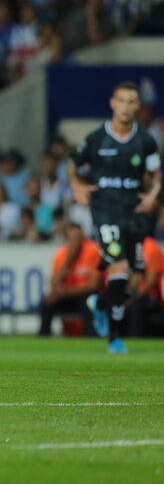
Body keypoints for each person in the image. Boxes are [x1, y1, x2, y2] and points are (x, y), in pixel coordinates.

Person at [69, 81, 161, 353]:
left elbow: (155, 171)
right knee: (119, 267)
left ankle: (100, 304)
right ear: (112, 103)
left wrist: (154, 193)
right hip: (104, 210)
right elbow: (72, 164)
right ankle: (114, 337)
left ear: (138, 106)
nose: (126, 106)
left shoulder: (145, 140)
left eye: (132, 101)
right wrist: (76, 185)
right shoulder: (97, 138)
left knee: (134, 280)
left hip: (132, 212)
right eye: (122, 100)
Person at [39, 223, 101, 336]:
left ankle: (90, 336)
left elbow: (94, 285)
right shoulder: (61, 254)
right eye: (72, 239)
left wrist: (68, 292)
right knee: (48, 301)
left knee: (88, 300)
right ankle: (43, 335)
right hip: (67, 296)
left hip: (84, 295)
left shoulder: (92, 251)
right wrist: (67, 262)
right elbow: (53, 283)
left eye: (78, 238)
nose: (75, 242)